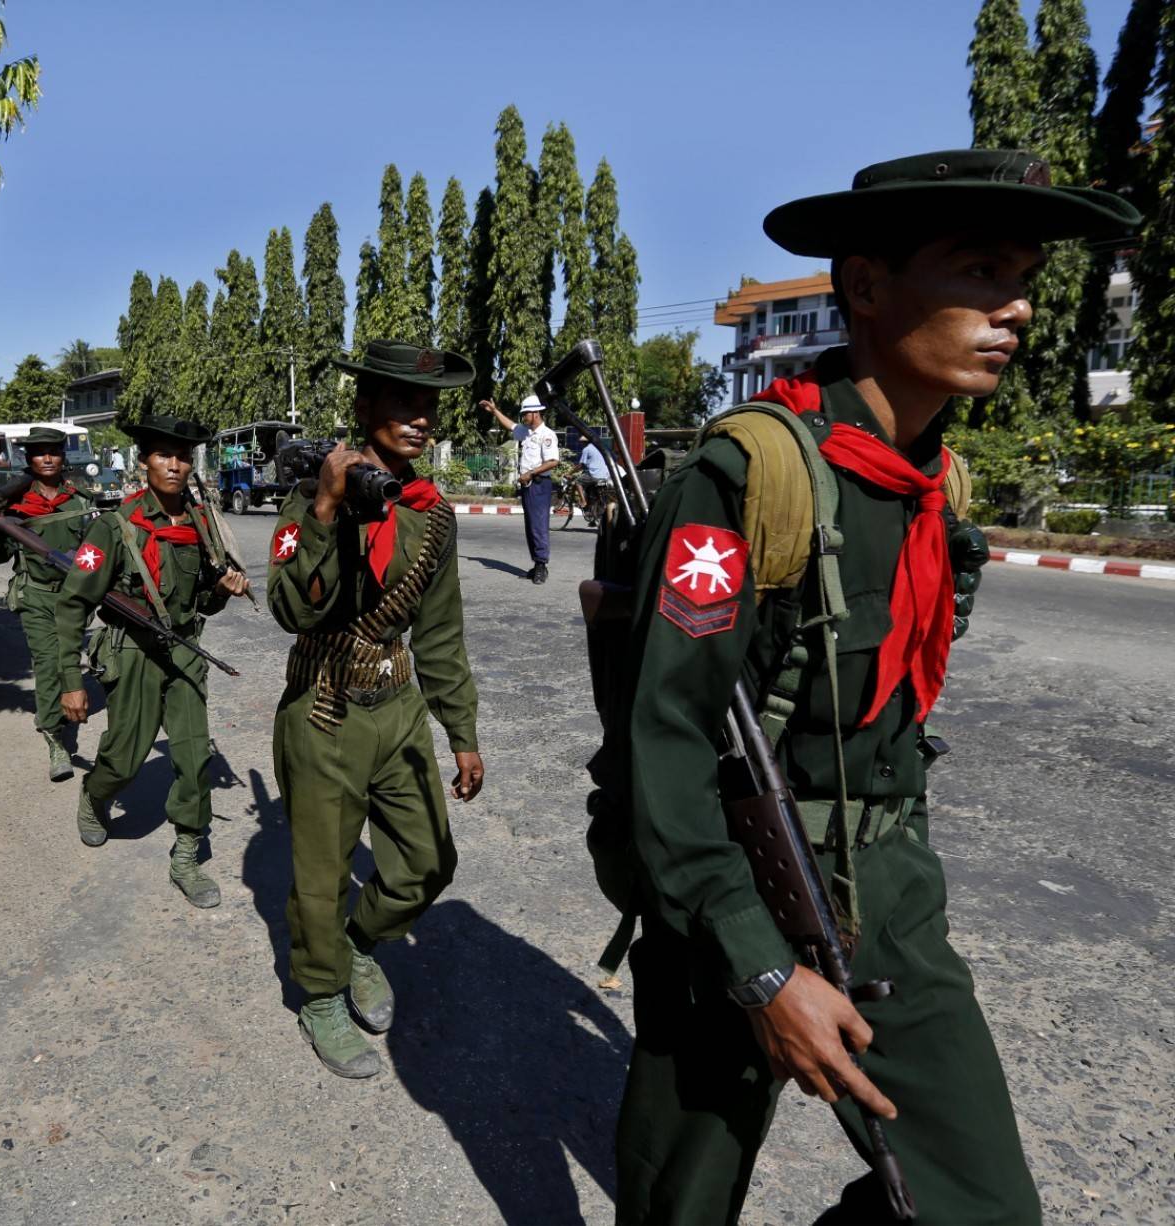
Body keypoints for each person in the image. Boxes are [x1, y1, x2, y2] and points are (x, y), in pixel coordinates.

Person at [608, 150, 1138, 1224]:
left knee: (982, 1203)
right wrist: (759, 969)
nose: (1018, 306)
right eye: (981, 270)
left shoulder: (934, 483)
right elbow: (660, 742)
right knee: (681, 1201)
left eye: (1023, 274)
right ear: (861, 284)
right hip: (729, 883)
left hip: (885, 884)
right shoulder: (747, 476)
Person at [268, 340, 485, 1079]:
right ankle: (321, 993)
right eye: (402, 405)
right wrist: (329, 505)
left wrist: (462, 731)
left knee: (429, 861)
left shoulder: (431, 516)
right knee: (322, 873)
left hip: (398, 709)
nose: (419, 420)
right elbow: (290, 608)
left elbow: (443, 632)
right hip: (324, 710)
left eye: (426, 408)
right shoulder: (309, 501)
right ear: (364, 410)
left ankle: (358, 945)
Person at [54, 414, 249, 907]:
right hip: (132, 651)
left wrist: (223, 591)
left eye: (183, 457)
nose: (175, 465)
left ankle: (186, 855)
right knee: (123, 760)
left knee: (192, 757)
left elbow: (201, 601)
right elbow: (74, 601)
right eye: (164, 455)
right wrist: (70, 677)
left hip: (184, 651)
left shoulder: (202, 523)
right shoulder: (114, 525)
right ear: (144, 462)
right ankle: (95, 794)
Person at [0, 426, 96, 781]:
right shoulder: (17, 505)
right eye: (39, 452)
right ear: (29, 459)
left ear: (63, 455)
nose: (48, 458)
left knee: (69, 660)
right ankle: (55, 738)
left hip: (73, 597)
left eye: (53, 451)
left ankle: (59, 710)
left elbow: (96, 552)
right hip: (35, 594)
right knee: (48, 662)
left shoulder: (80, 500)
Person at [479, 392, 561, 582]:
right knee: (530, 526)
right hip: (528, 485)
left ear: (535, 414)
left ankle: (542, 565)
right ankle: (536, 563)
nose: (523, 417)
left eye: (526, 414)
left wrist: (531, 473)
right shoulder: (527, 431)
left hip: (539, 484)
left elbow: (553, 461)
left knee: (538, 525)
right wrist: (494, 411)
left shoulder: (546, 435)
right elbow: (510, 425)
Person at [575, 434, 612, 527]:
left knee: (577, 482)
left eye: (581, 442)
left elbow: (581, 465)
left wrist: (570, 472)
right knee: (595, 495)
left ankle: (583, 501)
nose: (581, 444)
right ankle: (595, 518)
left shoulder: (586, 449)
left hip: (594, 475)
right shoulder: (598, 448)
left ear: (584, 442)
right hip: (605, 475)